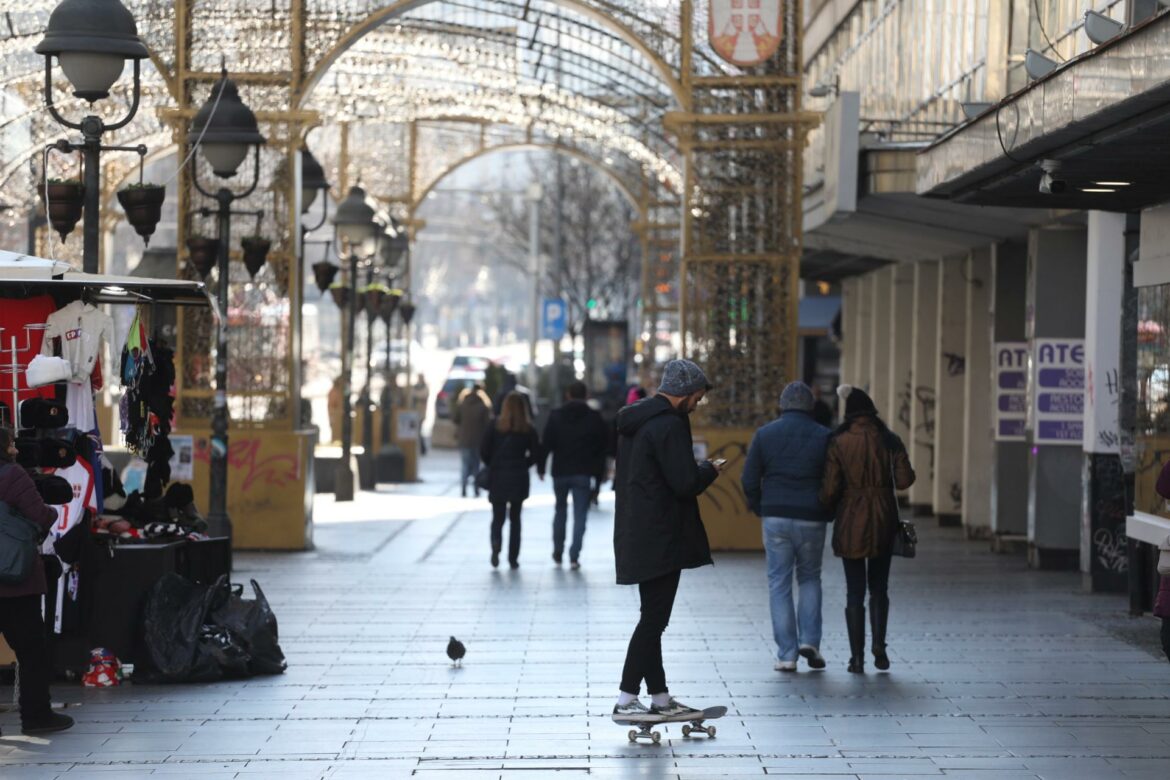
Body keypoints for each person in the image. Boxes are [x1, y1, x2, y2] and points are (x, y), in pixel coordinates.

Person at [612, 359, 726, 720]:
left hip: (638, 530)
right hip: (662, 534)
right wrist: (709, 470)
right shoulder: (669, 424)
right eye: (698, 397)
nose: (698, 404)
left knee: (652, 617)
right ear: (686, 392)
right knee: (653, 621)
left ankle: (660, 698)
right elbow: (684, 483)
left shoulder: (637, 420)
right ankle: (627, 699)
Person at [819, 385, 915, 674]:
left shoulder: (838, 441)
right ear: (872, 411)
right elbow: (904, 481)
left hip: (850, 521)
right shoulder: (889, 439)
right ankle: (880, 648)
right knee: (880, 588)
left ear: (848, 413)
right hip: (884, 519)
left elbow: (830, 489)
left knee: (854, 591)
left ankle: (857, 657)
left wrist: (827, 503)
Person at [741, 381, 832, 673]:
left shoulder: (765, 434)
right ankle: (811, 641)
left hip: (776, 516)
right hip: (812, 517)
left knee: (779, 583)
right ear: (811, 407)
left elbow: (749, 478)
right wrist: (827, 510)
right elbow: (834, 480)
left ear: (781, 406)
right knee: (810, 578)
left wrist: (760, 506)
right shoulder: (825, 436)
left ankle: (787, 655)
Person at [0, 427, 74, 735]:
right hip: (14, 580)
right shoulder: (12, 475)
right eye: (11, 444)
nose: (16, 449)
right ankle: (36, 715)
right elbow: (42, 515)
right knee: (31, 650)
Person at [540, 380, 608, 569]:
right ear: (586, 395)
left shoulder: (556, 416)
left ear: (568, 394)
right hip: (583, 473)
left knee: (560, 510)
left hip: (560, 472)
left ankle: (558, 550)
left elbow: (546, 443)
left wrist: (540, 466)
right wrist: (599, 475)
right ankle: (574, 555)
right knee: (580, 514)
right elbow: (601, 448)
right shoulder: (594, 417)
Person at [480, 391, 543, 569]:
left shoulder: (495, 426)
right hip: (518, 477)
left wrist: (493, 463)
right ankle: (513, 558)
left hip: (498, 476)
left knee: (497, 517)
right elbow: (536, 453)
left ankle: (496, 543)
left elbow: (484, 451)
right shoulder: (528, 429)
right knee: (515, 519)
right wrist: (524, 463)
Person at [455, 384, 492, 498]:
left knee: (465, 465)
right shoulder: (483, 406)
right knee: (476, 465)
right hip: (478, 440)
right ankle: (476, 488)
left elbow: (455, 419)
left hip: (464, 439)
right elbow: (488, 425)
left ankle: (463, 488)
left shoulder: (463, 404)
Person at [411, 374, 430, 455]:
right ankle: (420, 448)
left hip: (421, 413)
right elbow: (412, 394)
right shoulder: (415, 387)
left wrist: (417, 396)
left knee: (418, 431)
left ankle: (423, 449)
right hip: (414, 412)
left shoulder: (425, 387)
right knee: (416, 431)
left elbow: (423, 395)